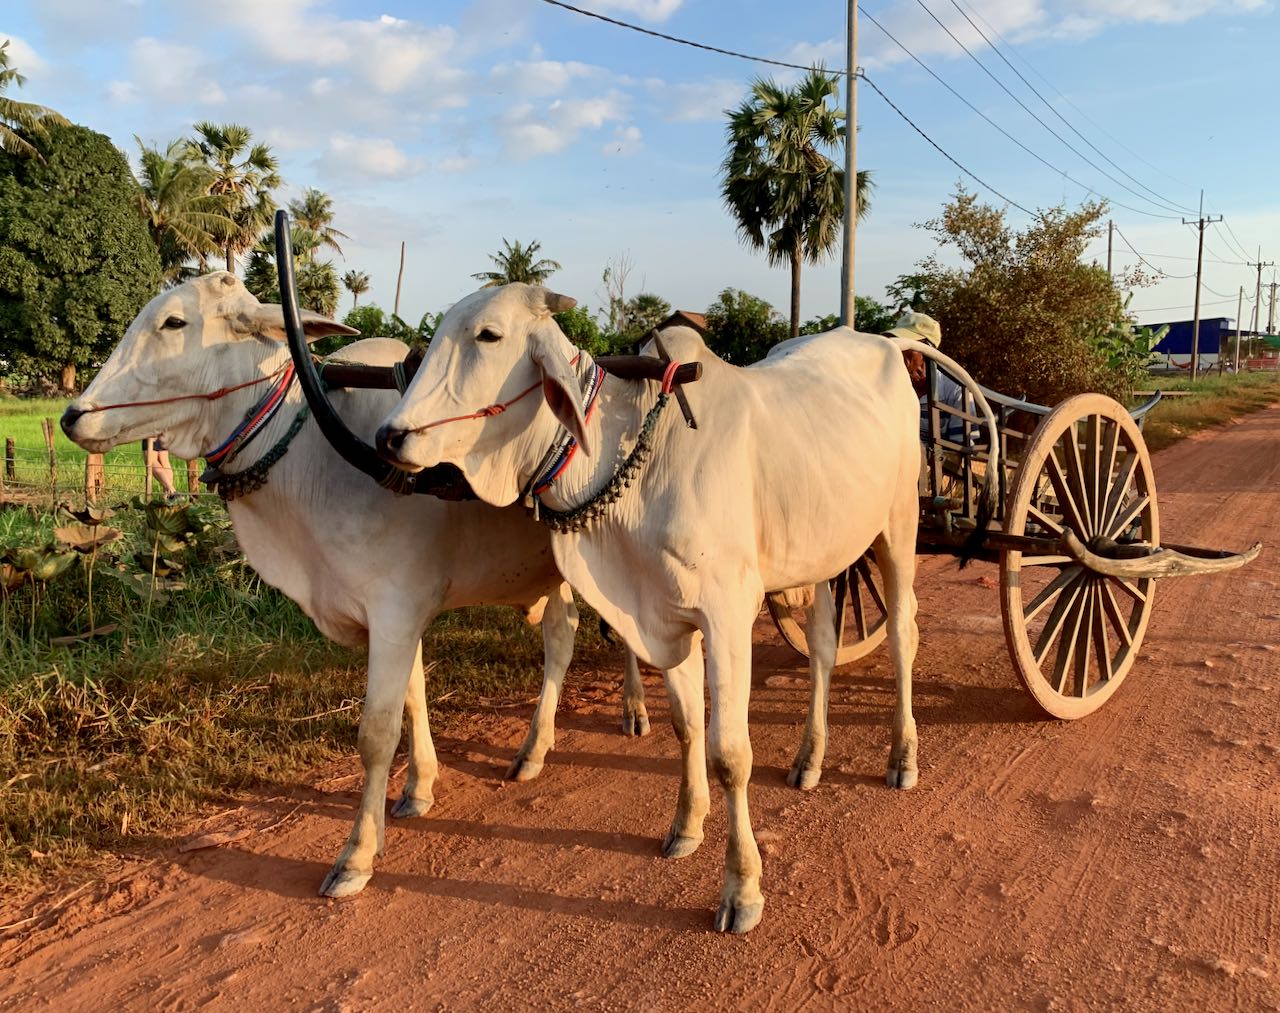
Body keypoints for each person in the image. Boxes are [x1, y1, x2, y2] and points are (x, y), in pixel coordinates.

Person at [883, 310, 968, 445]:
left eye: (906, 345)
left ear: (928, 350)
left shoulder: (955, 389)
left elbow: (961, 451)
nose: (898, 350)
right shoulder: (885, 386)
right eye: (895, 343)